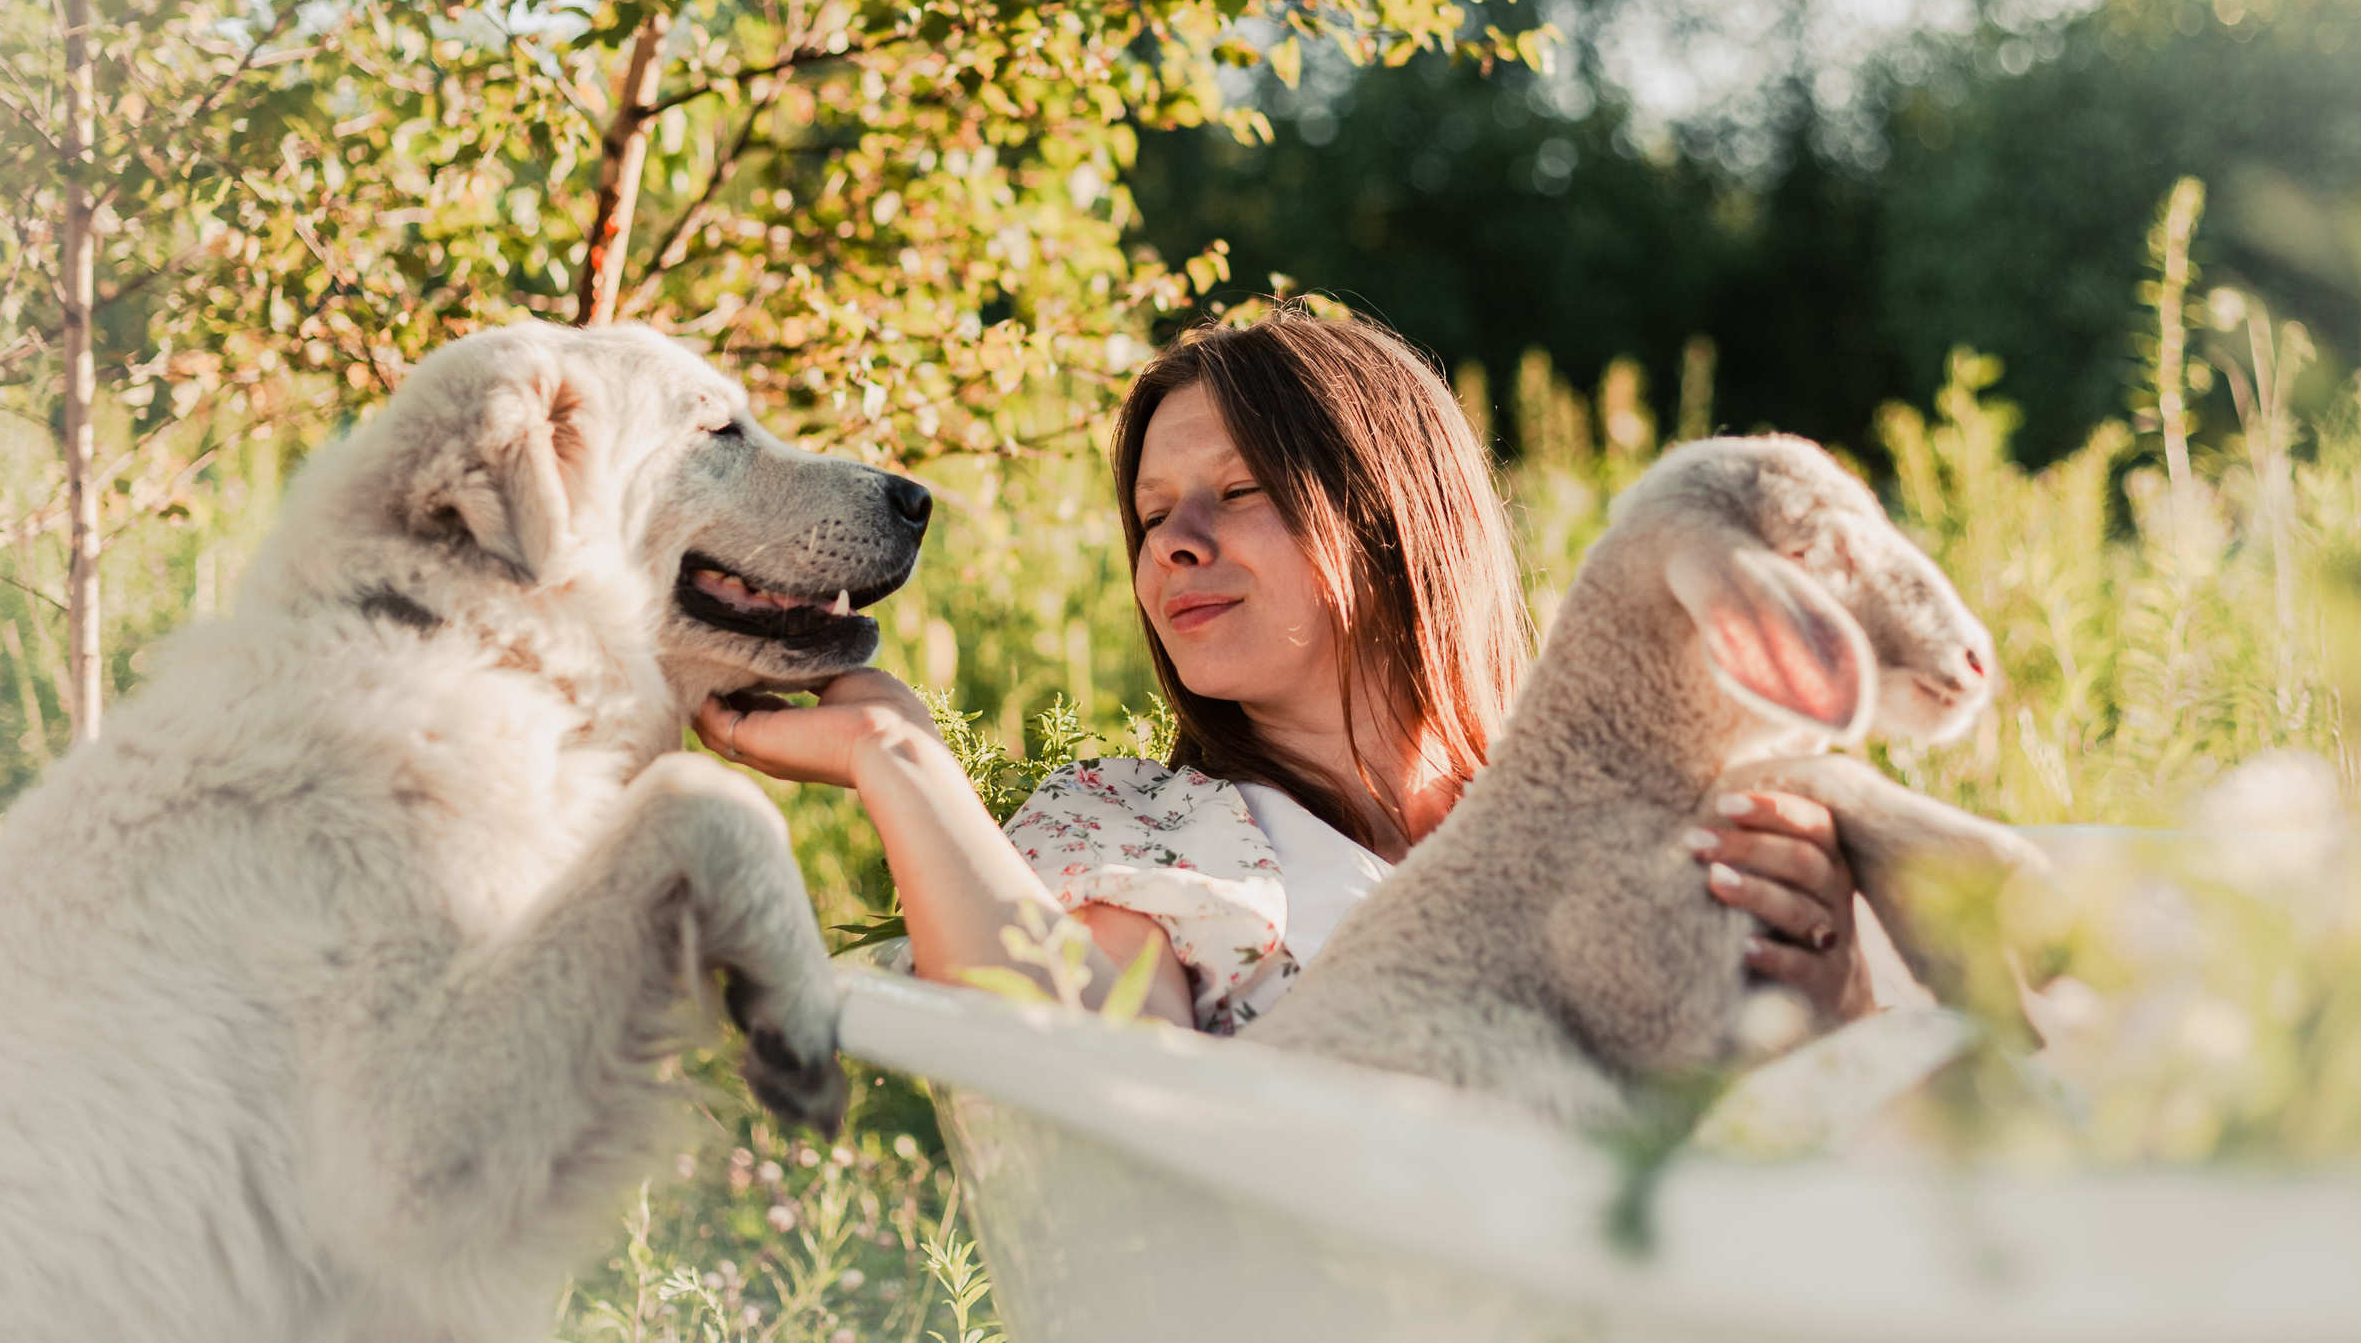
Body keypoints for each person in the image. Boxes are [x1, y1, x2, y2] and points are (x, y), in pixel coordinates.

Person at [696, 309, 1877, 1033]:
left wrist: (1829, 993)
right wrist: (899, 758)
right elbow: (1082, 1068)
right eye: (1152, 515)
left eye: (1238, 493)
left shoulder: (1639, 821)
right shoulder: (1151, 837)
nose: (1175, 544)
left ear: (1393, 519)